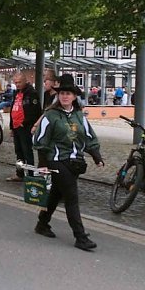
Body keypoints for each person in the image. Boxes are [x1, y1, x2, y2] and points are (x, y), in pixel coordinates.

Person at [33, 74, 103, 251]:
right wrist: (42, 164)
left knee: (56, 194)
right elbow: (41, 140)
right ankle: (80, 236)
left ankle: (42, 223)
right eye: (62, 93)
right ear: (58, 95)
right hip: (56, 161)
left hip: (74, 162)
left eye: (68, 93)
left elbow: (88, 137)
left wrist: (96, 156)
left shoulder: (79, 116)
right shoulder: (51, 115)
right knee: (71, 197)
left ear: (74, 96)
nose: (65, 96)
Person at [7, 73, 41, 182]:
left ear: (25, 81)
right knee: (19, 151)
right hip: (16, 126)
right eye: (15, 82)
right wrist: (12, 126)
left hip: (25, 127)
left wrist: (27, 123)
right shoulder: (16, 93)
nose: (17, 85)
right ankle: (19, 173)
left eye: (19, 82)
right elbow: (13, 109)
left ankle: (30, 174)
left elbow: (36, 111)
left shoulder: (31, 93)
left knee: (27, 151)